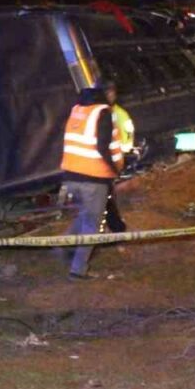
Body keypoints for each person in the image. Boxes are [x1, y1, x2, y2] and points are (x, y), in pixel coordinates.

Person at [60, 85, 124, 280]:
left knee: (84, 215)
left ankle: (61, 247)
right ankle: (78, 270)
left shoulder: (77, 110)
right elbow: (103, 145)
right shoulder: (102, 113)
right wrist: (114, 170)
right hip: (94, 177)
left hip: (71, 175)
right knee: (92, 225)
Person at [103, 80, 135, 233]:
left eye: (112, 92)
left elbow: (128, 135)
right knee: (105, 197)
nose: (110, 95)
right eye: (108, 92)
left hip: (109, 161)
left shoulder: (120, 114)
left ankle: (116, 227)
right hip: (102, 162)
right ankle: (116, 227)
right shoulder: (101, 113)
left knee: (106, 196)